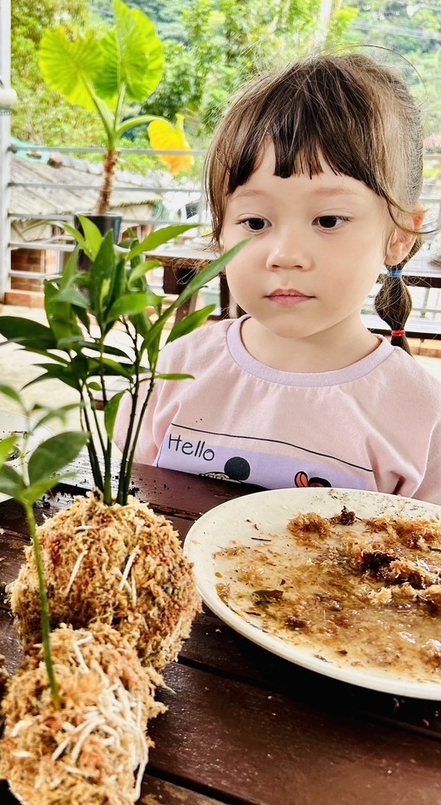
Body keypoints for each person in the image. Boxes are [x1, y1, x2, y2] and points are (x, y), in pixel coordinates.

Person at [115, 53, 441, 502]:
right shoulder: (179, 367)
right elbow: (132, 505)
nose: (285, 256)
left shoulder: (421, 411)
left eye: (328, 220)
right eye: (254, 222)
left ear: (400, 235)